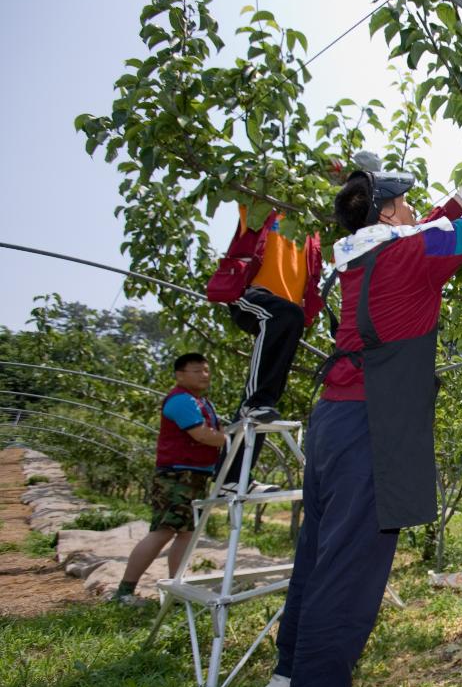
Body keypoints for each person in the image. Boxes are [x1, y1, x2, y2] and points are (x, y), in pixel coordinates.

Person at [265, 132, 462, 687]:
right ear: (385, 212)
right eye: (402, 203)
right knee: (351, 565)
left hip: (334, 420)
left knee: (319, 555)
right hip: (370, 427)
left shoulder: (361, 254)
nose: (411, 209)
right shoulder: (409, 255)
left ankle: (291, 675)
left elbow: (432, 222)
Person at [218, 203, 324, 494]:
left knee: (267, 395)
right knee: (259, 397)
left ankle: (233, 478)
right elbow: (249, 181)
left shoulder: (313, 229)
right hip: (251, 293)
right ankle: (254, 404)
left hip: (286, 312)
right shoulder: (265, 207)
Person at [112, 353, 225, 605]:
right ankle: (124, 590)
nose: (204, 375)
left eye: (206, 370)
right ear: (180, 374)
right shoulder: (181, 401)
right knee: (163, 530)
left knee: (185, 532)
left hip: (194, 474)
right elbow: (203, 435)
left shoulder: (200, 401)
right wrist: (229, 439)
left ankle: (177, 588)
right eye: (197, 370)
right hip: (177, 475)